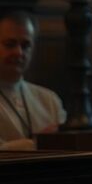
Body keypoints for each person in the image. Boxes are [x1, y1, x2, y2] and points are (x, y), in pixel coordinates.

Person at [0, 10, 65, 150]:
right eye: (10, 44)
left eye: (25, 45)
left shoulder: (50, 100)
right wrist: (37, 143)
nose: (19, 52)